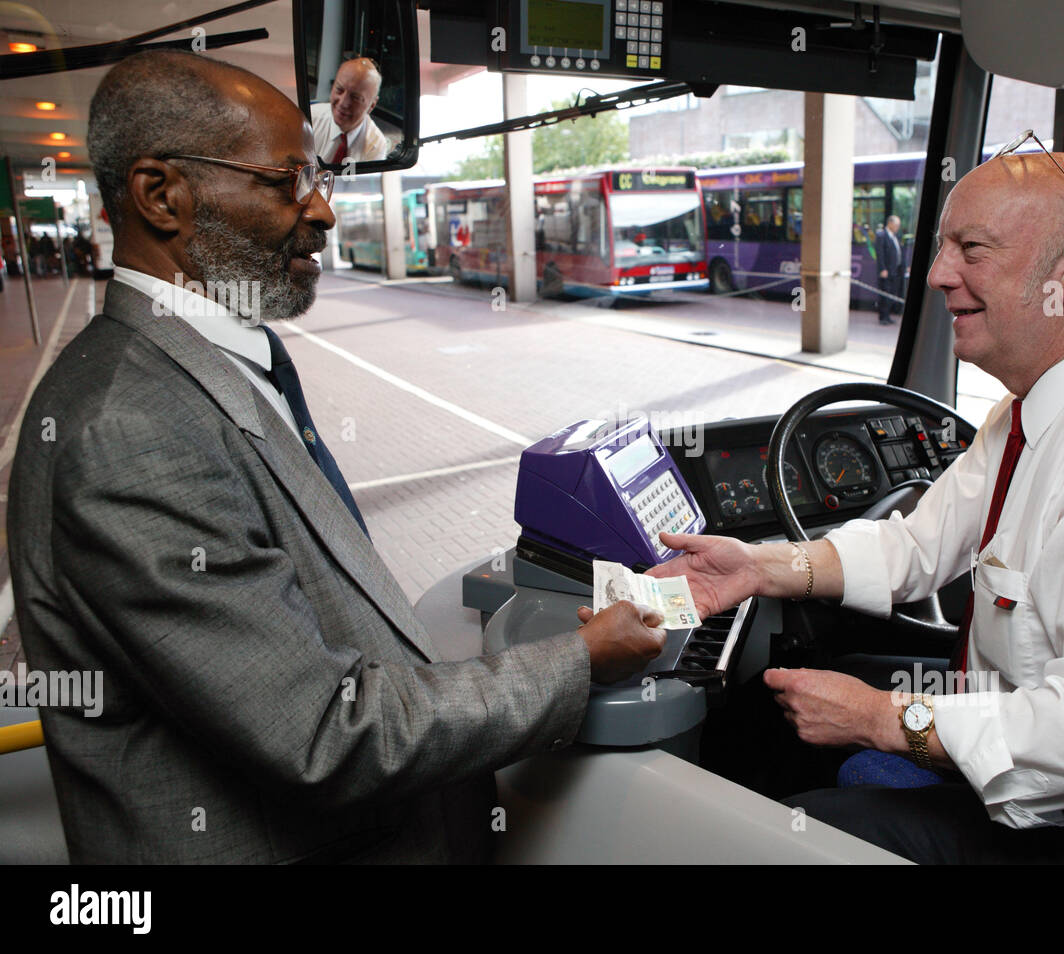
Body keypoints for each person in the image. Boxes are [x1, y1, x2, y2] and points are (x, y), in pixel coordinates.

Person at [6, 50, 665, 864]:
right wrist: (579, 660)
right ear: (161, 196)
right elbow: (321, 730)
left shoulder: (221, 356)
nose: (320, 210)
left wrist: (336, 131)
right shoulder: (127, 430)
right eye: (288, 183)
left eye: (316, 177)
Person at [650, 148, 1064, 864]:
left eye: (972, 249)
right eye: (941, 248)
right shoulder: (1035, 406)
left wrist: (882, 717)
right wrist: (756, 566)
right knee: (765, 728)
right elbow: (916, 548)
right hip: (1020, 738)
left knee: (766, 839)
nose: (936, 273)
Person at [310, 57, 391, 164]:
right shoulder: (310, 118)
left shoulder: (375, 145)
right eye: (339, 90)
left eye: (355, 97)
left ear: (372, 105)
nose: (343, 103)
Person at [874, 214, 903, 324]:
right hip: (886, 271)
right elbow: (880, 254)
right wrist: (882, 269)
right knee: (884, 293)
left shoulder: (895, 236)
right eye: (896, 225)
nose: (897, 227)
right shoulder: (881, 235)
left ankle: (887, 315)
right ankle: (883, 317)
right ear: (890, 223)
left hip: (895, 271)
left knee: (891, 293)